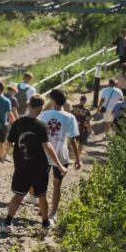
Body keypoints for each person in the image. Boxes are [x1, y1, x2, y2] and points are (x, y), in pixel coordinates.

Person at [3, 96, 66, 235]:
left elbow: (9, 142)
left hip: (21, 166)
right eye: (42, 107)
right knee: (42, 195)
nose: (42, 110)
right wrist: (60, 166)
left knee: (18, 195)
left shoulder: (18, 122)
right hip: (39, 167)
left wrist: (16, 155)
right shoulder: (41, 125)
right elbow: (47, 146)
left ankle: (7, 223)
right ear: (38, 107)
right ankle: (45, 225)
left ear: (29, 105)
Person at [38, 89, 81, 225]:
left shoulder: (43, 115)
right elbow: (73, 140)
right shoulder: (70, 117)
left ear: (53, 100)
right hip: (61, 155)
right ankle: (53, 213)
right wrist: (78, 159)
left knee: (41, 183)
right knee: (57, 185)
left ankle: (43, 207)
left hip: (44, 154)